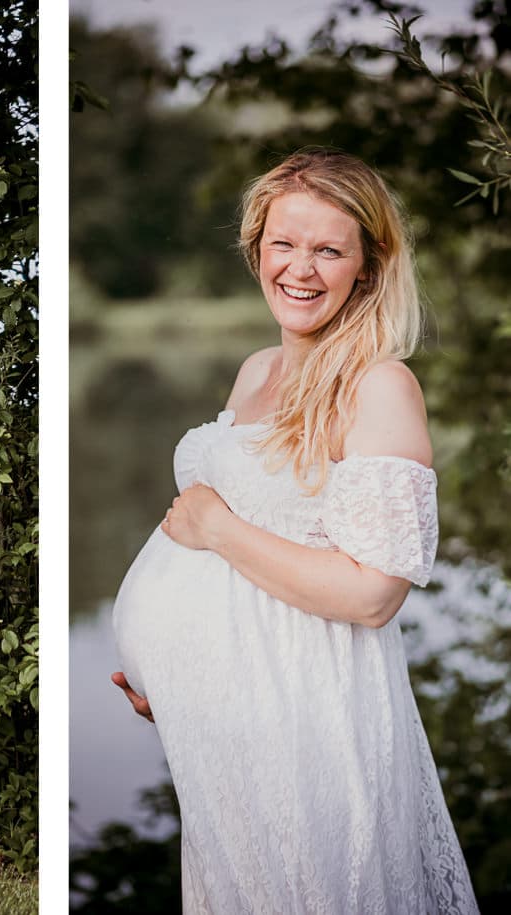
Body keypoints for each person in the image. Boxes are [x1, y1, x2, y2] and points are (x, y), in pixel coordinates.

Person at [108, 150, 478, 912]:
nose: (300, 268)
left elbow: (373, 594)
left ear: (367, 269)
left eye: (328, 249)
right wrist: (179, 682)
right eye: (284, 243)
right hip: (228, 731)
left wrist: (216, 527)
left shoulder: (379, 384)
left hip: (310, 729)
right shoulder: (255, 371)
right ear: (256, 247)